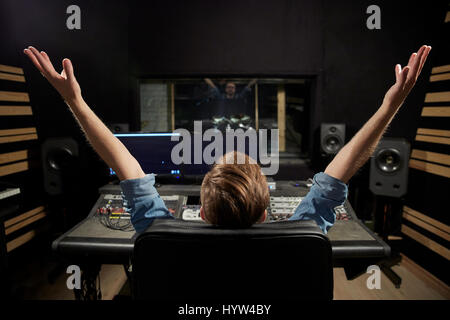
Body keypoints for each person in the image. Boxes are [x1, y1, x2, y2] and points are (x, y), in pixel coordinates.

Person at [23, 45, 431, 234]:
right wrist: (390, 106)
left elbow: (121, 157)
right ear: (268, 210)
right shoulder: (302, 231)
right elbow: (345, 165)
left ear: (200, 213)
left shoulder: (157, 228)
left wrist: (73, 100)